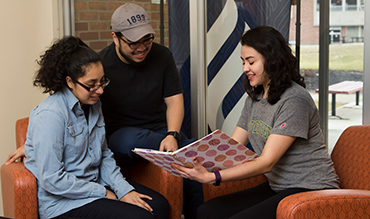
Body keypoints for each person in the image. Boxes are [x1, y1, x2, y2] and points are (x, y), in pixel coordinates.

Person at [172, 26, 340, 219]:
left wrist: (214, 177)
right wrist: (193, 161)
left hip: (310, 188)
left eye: (251, 62)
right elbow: (231, 146)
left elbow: (266, 163)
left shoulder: (295, 99)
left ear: (272, 60)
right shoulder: (255, 97)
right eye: (243, 62)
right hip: (278, 186)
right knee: (207, 211)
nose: (245, 69)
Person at [21, 36, 169, 219]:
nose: (100, 90)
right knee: (141, 216)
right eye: (91, 85)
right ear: (69, 82)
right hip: (64, 203)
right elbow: (52, 180)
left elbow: (104, 155)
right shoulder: (51, 115)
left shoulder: (94, 105)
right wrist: (103, 193)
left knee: (160, 206)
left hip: (95, 185)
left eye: (102, 82)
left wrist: (123, 190)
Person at [98, 3, 204, 218]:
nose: (141, 47)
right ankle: (183, 148)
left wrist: (172, 134)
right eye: (133, 42)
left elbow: (174, 100)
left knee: (193, 164)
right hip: (121, 139)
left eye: (146, 39)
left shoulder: (162, 55)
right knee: (131, 140)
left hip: (160, 130)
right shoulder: (101, 63)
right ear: (115, 37)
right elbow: (71, 104)